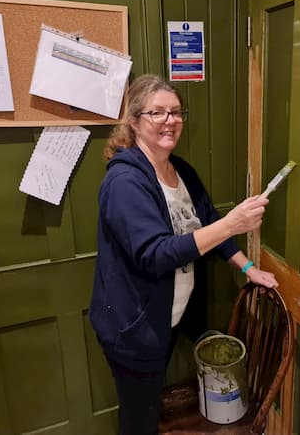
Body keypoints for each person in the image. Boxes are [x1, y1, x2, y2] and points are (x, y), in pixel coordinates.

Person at [89, 74, 278, 435]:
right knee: (139, 416)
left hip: (167, 318)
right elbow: (156, 254)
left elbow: (207, 222)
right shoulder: (124, 182)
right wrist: (233, 225)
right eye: (157, 113)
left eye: (175, 112)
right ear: (134, 121)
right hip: (133, 327)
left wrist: (248, 266)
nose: (170, 121)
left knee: (150, 402)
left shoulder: (182, 171)